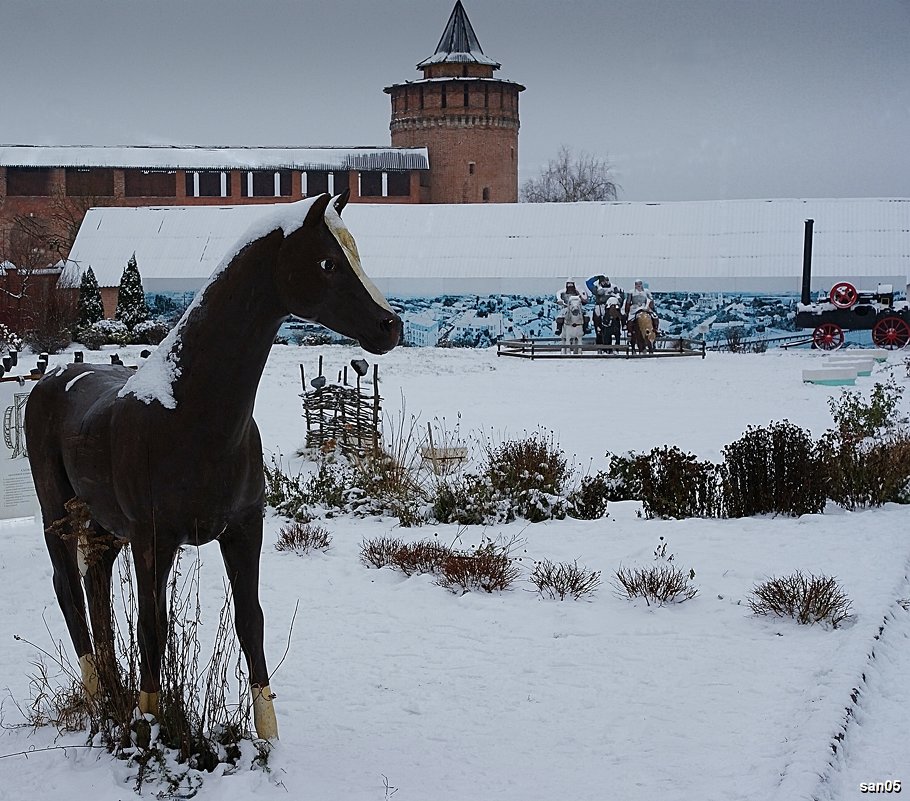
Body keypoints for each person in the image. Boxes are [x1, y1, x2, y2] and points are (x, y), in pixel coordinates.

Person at [586, 275, 624, 345]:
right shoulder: (597, 288)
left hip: (611, 305)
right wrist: (596, 277)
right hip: (601, 305)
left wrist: (619, 298)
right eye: (603, 281)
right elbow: (588, 283)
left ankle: (622, 326)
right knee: (597, 313)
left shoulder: (613, 287)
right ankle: (598, 327)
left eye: (606, 280)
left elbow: (618, 294)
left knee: (619, 313)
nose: (605, 282)